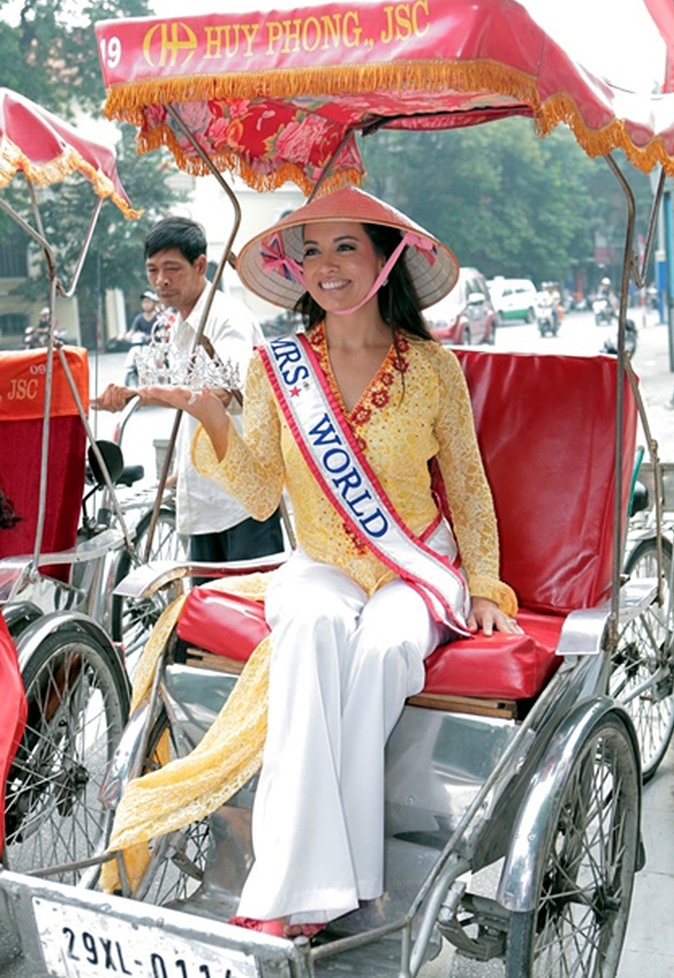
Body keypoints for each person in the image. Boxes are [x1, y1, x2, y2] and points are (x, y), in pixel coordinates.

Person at [133, 187, 519, 939]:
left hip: (411, 569)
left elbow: (468, 490)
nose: (327, 265)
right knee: (308, 630)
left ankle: (332, 887)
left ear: (385, 259)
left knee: (381, 648)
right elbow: (257, 495)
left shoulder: (432, 369)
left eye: (346, 246)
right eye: (311, 250)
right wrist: (212, 418)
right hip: (316, 564)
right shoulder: (276, 367)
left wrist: (486, 584)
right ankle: (298, 892)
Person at [95, 216, 284, 564]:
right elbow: (194, 412)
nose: (161, 281)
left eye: (172, 268)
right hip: (203, 495)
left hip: (244, 497)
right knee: (203, 605)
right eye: (152, 270)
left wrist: (140, 395)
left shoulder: (228, 318)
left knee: (247, 608)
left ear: (200, 265)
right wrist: (183, 474)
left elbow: (218, 395)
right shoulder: (178, 324)